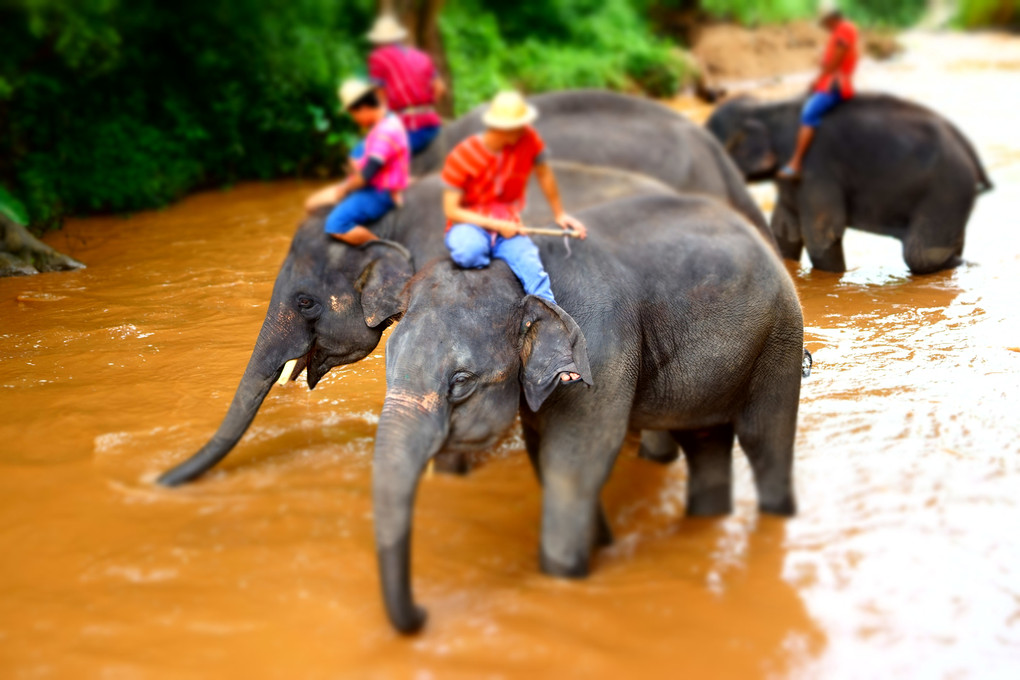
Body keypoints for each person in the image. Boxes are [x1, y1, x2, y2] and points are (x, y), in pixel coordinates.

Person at [441, 90, 587, 305]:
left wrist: (559, 213)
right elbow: (452, 210)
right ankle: (490, 258)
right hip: (470, 222)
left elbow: (544, 172)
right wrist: (495, 225)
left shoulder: (528, 139)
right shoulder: (463, 155)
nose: (524, 129)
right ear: (502, 129)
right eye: (518, 126)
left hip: (508, 220)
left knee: (533, 270)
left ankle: (551, 318)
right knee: (468, 252)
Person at [305, 78, 409, 246]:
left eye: (353, 114)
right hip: (372, 185)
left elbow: (367, 174)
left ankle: (383, 251)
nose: (355, 119)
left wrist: (345, 188)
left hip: (380, 192)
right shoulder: (383, 124)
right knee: (312, 203)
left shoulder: (385, 131)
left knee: (336, 225)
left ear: (362, 108)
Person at [778, 8, 859, 179]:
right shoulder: (839, 30)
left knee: (809, 113)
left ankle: (796, 162)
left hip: (836, 84)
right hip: (830, 81)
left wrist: (818, 78)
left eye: (824, 23)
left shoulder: (844, 29)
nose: (824, 27)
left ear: (831, 19)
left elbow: (836, 61)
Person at [366, 13, 446, 156]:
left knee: (363, 155)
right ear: (398, 37)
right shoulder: (422, 56)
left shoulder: (378, 57)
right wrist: (426, 106)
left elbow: (380, 96)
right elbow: (440, 87)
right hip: (433, 123)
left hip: (408, 127)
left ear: (378, 40)